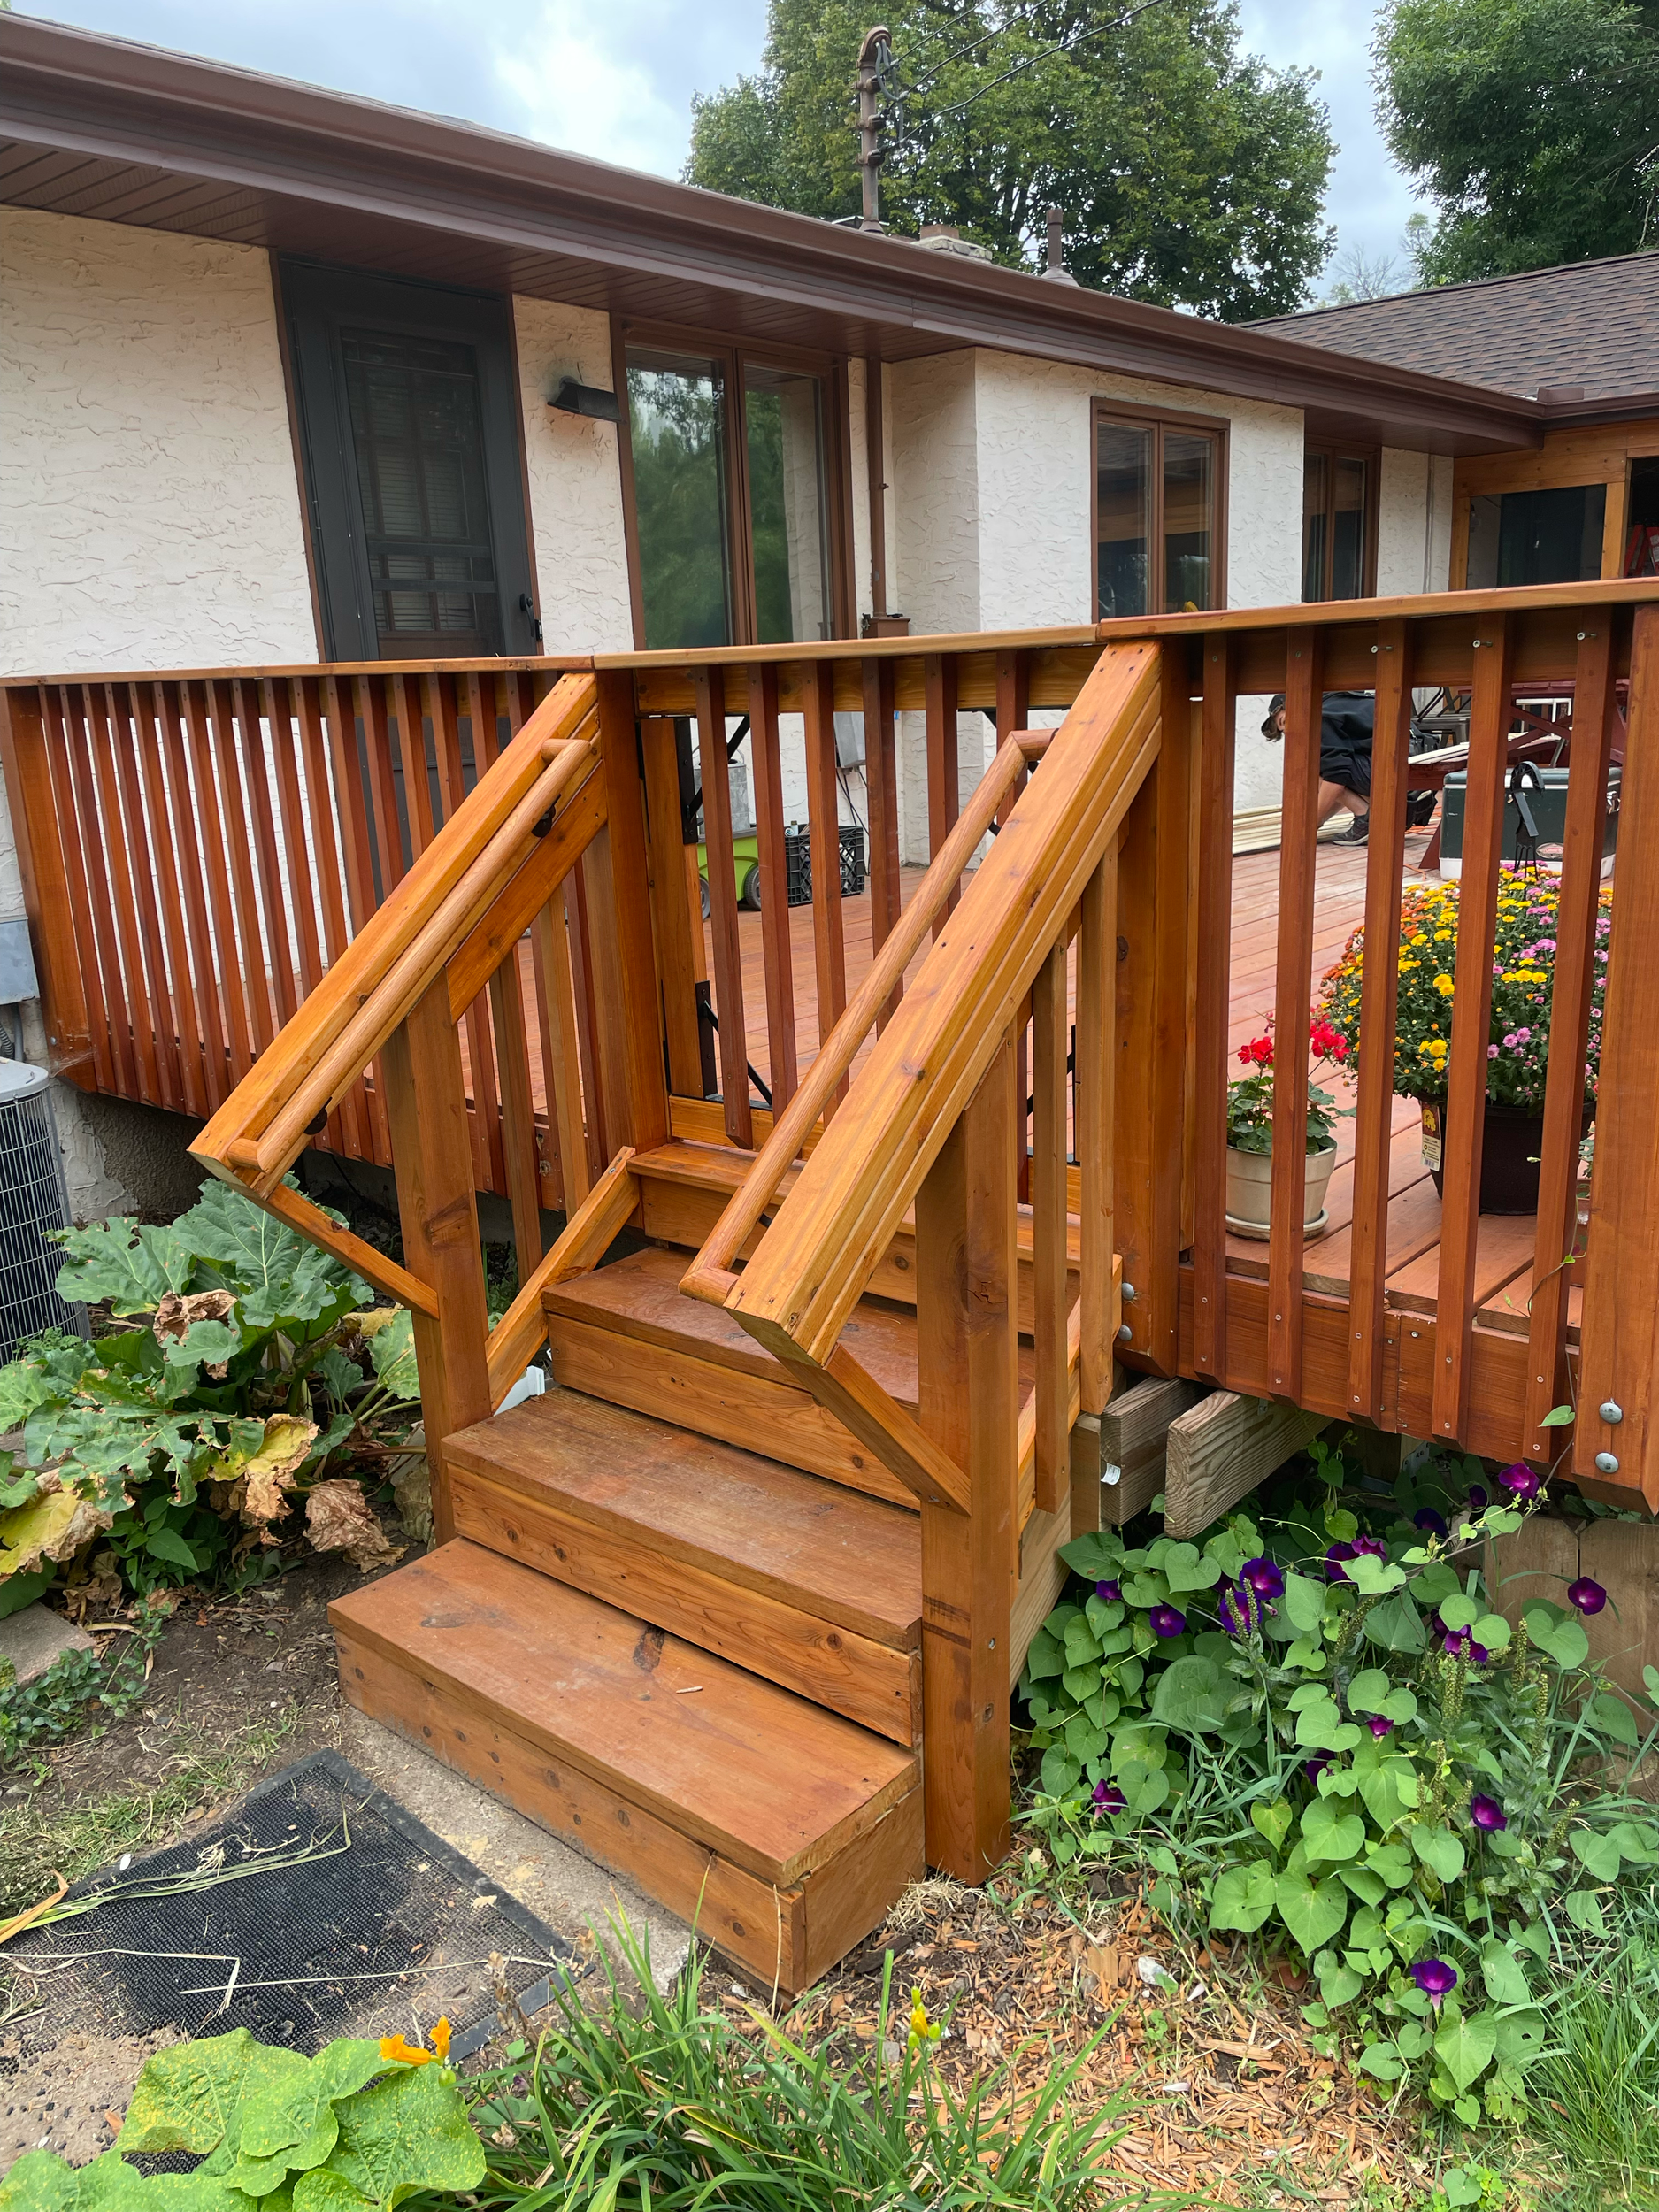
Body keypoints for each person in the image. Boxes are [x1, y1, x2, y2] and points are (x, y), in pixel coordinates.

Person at [1261, 690, 1377, 843]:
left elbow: (1336, 781)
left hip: (1393, 773)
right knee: (1330, 766)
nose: (1288, 730)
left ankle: (1364, 816)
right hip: (1408, 767)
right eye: (1284, 731)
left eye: (1284, 721)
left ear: (1293, 706)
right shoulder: (1334, 703)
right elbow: (1339, 787)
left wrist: (1308, 827)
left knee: (1311, 766)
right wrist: (1318, 821)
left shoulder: (1322, 717)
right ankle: (1366, 816)